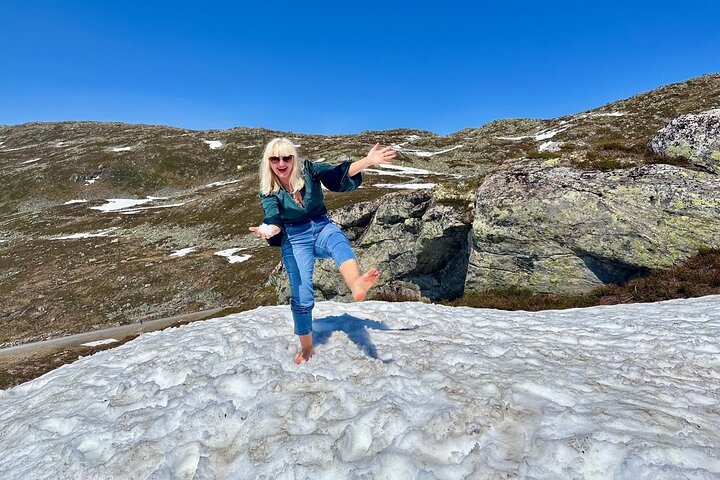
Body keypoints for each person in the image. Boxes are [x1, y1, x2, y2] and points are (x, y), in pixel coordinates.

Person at [250, 137, 397, 364]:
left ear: (294, 159)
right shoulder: (268, 191)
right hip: (294, 237)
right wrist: (269, 229)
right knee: (302, 293)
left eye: (287, 157)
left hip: (320, 226)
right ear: (268, 161)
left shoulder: (308, 170)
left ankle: (356, 283)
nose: (281, 163)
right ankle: (307, 348)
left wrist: (368, 161)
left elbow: (337, 174)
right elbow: (273, 217)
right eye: (275, 158)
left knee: (338, 239)